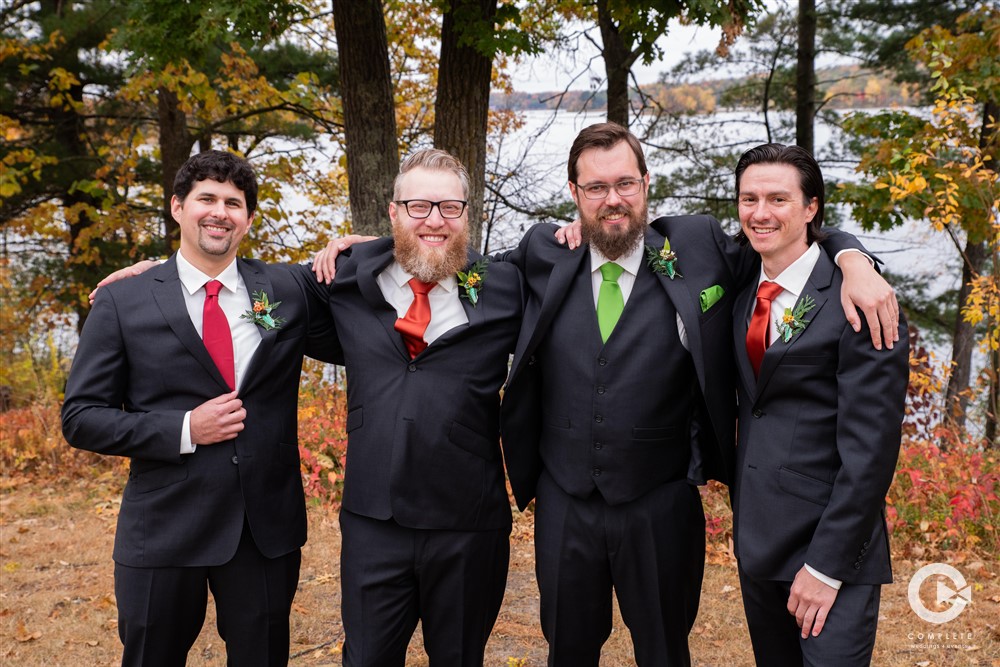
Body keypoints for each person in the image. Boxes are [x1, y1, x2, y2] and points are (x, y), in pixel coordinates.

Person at [315, 123, 898, 667]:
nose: (612, 199)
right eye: (596, 187)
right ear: (574, 192)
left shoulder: (695, 246)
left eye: (624, 183)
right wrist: (377, 244)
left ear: (646, 185)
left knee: (665, 649)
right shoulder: (544, 255)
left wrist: (854, 258)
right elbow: (447, 259)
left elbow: (786, 235)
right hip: (564, 503)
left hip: (661, 501)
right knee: (566, 648)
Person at [62, 150, 338, 666]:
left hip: (263, 529)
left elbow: (377, 286)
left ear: (249, 219)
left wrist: (351, 244)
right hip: (164, 526)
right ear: (177, 207)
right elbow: (80, 418)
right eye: (206, 198)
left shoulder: (285, 288)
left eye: (234, 203)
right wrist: (186, 428)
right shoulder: (125, 301)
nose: (220, 212)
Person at [292, 148, 522, 665]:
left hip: (469, 524)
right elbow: (254, 287)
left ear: (468, 214)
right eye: (418, 206)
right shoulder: (347, 280)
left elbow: (571, 265)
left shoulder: (505, 287)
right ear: (393, 213)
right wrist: (166, 271)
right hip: (374, 521)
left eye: (449, 207)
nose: (434, 220)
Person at [730, 143, 908, 666]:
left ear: (811, 209)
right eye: (749, 199)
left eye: (778, 199)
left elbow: (871, 453)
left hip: (832, 554)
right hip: (758, 545)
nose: (761, 213)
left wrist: (826, 568)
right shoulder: (743, 285)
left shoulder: (865, 302)